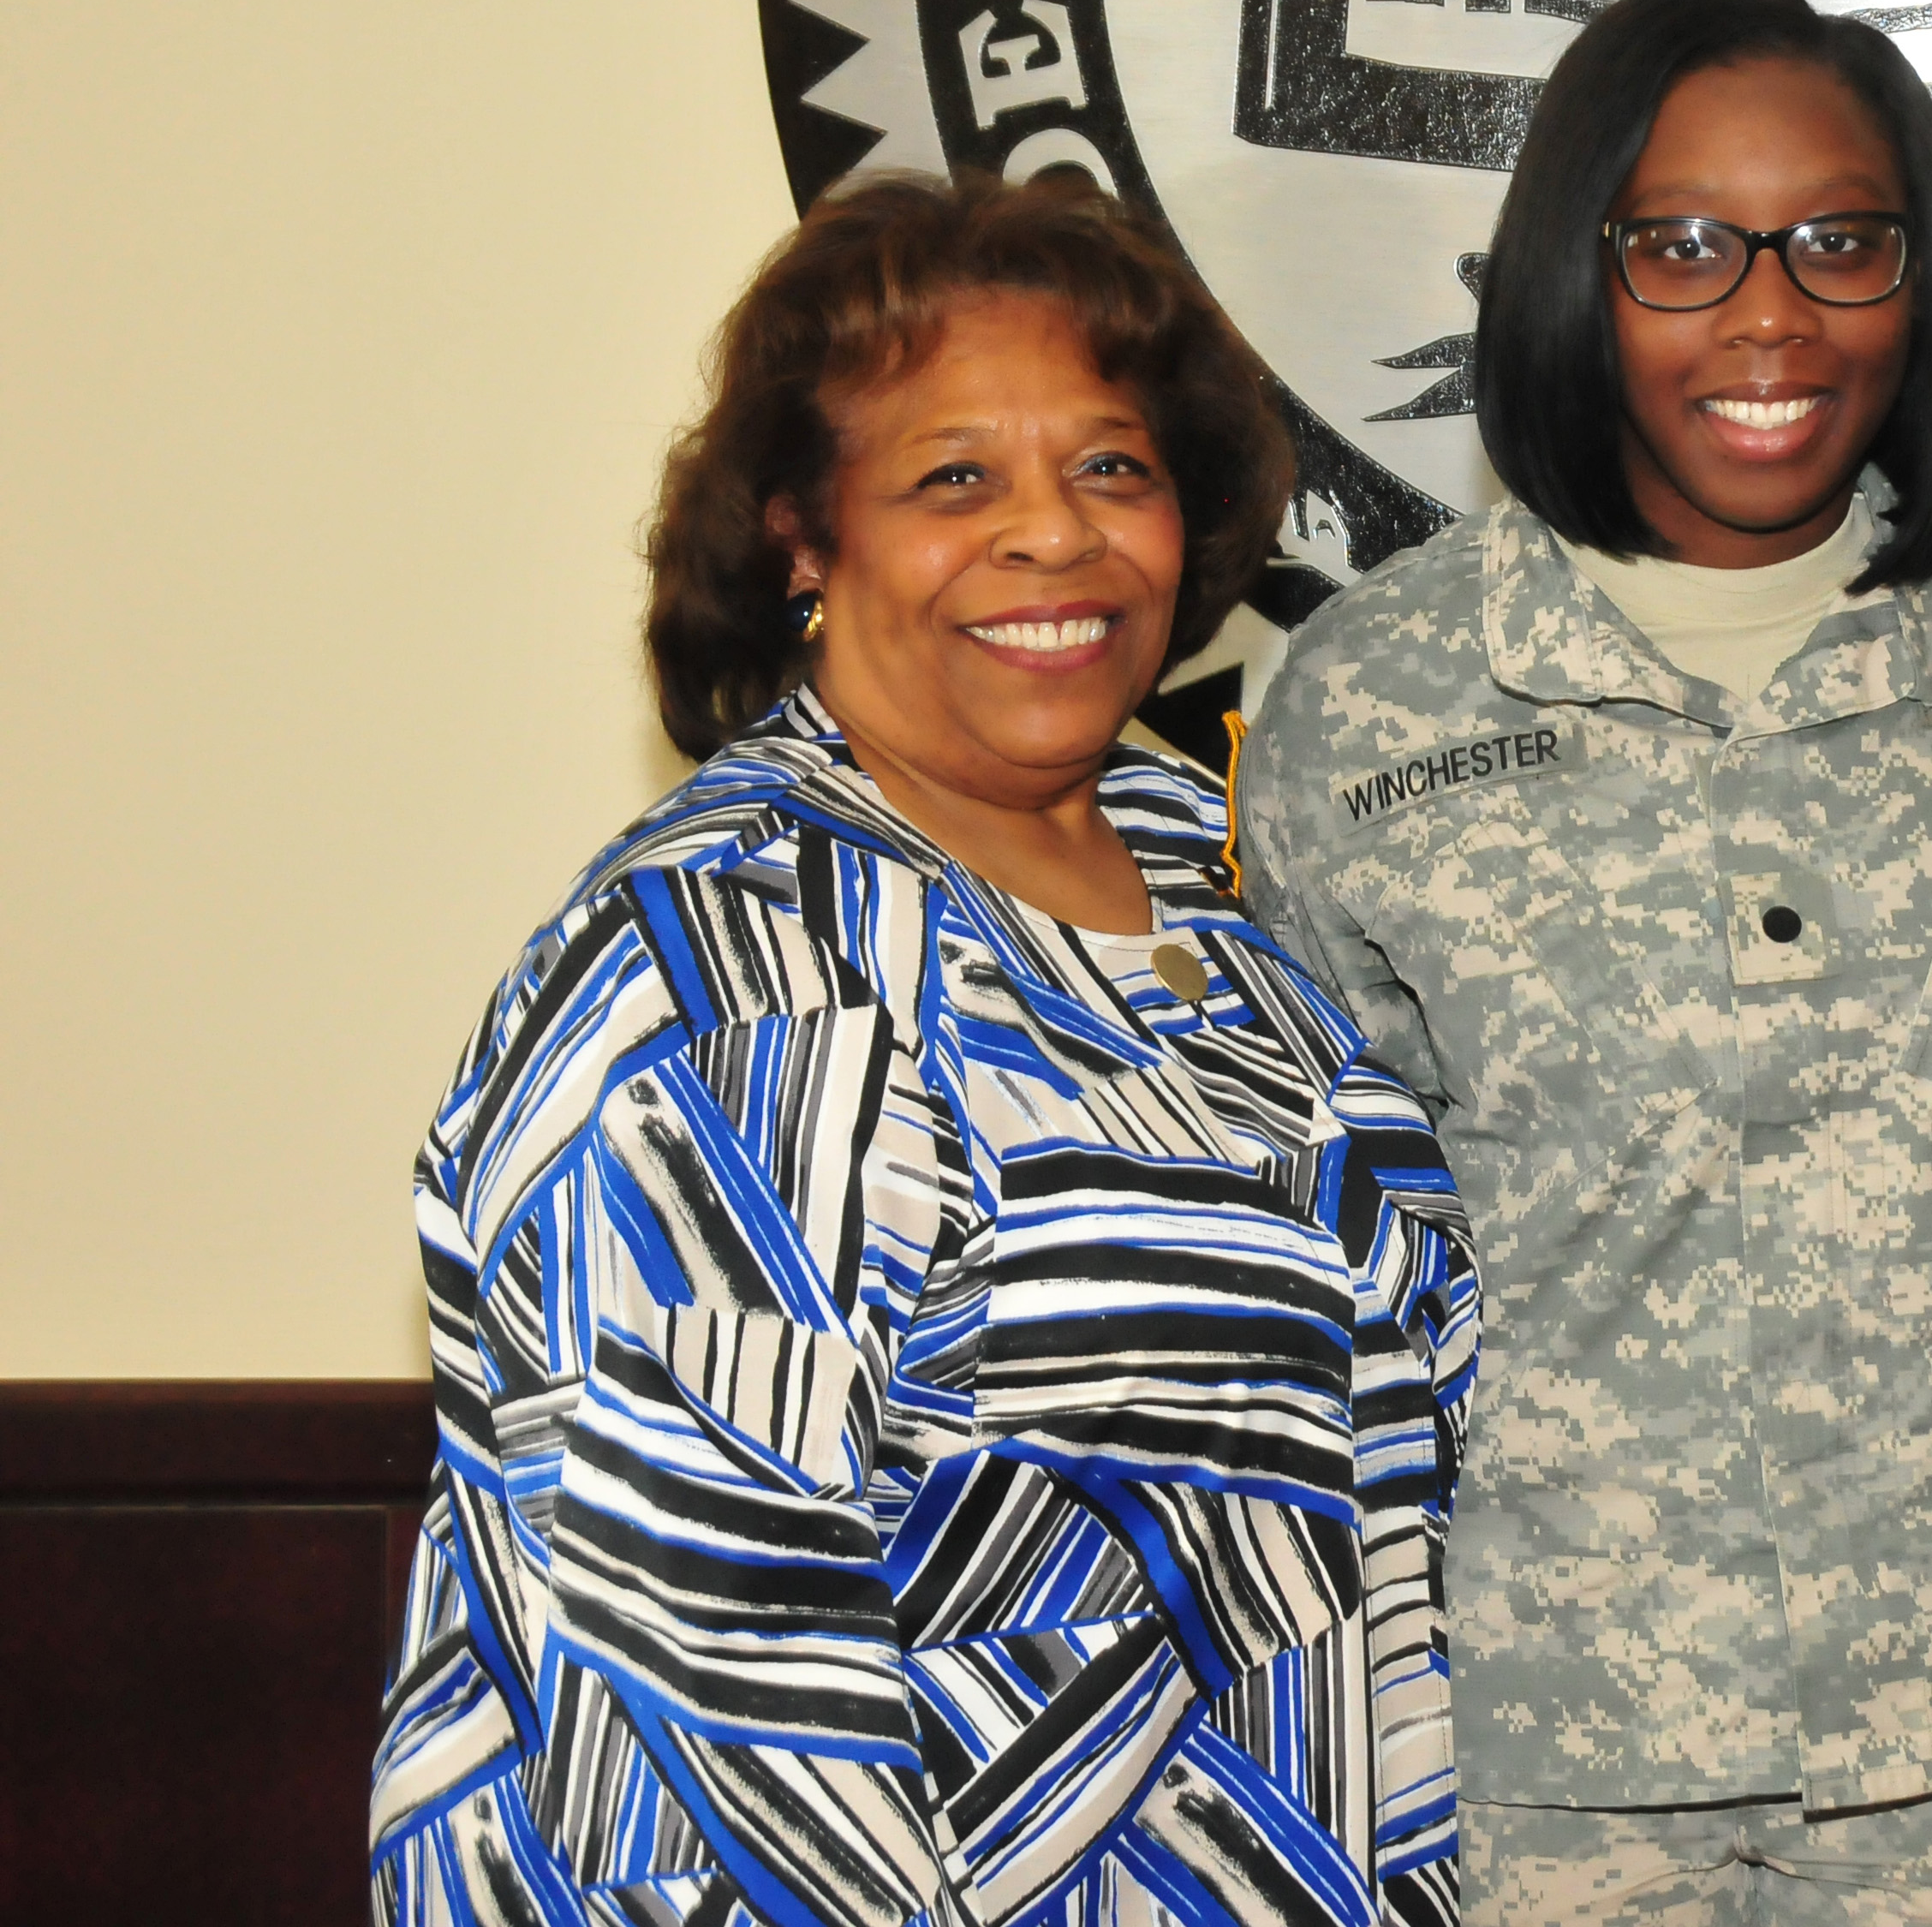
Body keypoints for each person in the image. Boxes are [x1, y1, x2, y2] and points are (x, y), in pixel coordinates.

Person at [367, 172, 1482, 1926]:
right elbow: (696, 1692)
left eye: (1111, 465)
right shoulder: (733, 960)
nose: (1053, 533)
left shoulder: (1221, 875)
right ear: (805, 536)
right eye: (953, 475)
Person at [1239, 0, 1932, 1926]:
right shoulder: (1373, 699)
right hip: (1529, 1766)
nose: (1770, 313)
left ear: (1919, 275)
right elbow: (1317, 1256)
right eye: (1680, 245)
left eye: (1842, 240)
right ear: (1572, 275)